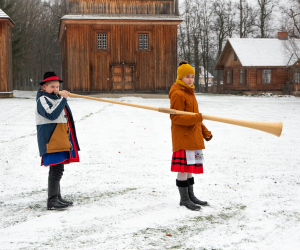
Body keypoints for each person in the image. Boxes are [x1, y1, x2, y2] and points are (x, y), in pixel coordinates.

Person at [169, 61, 213, 211]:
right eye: (187, 76)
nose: (190, 80)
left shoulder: (190, 93)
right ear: (181, 77)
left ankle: (191, 196)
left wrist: (205, 131)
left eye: (192, 77)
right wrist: (197, 118)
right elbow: (176, 118)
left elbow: (196, 117)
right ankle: (184, 199)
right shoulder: (178, 94)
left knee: (189, 168)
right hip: (183, 137)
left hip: (193, 137)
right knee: (183, 169)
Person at [35, 72, 80, 210]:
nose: (55, 89)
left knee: (58, 167)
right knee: (56, 169)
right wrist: (63, 99)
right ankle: (52, 200)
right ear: (44, 86)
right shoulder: (42, 99)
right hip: (51, 139)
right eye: (52, 87)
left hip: (60, 137)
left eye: (57, 86)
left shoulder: (56, 98)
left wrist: (61, 99)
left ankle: (57, 197)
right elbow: (51, 114)